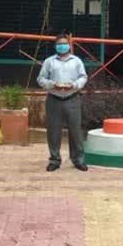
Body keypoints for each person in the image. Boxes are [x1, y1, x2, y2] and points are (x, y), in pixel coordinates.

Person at [37, 34, 89, 172]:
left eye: (64, 43)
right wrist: (52, 85)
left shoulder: (76, 61)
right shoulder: (49, 61)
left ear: (69, 45)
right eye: (59, 44)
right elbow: (40, 79)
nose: (62, 46)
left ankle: (78, 159)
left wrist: (74, 85)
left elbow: (83, 77)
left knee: (75, 131)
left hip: (72, 98)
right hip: (54, 100)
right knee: (53, 131)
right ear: (55, 46)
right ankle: (54, 159)